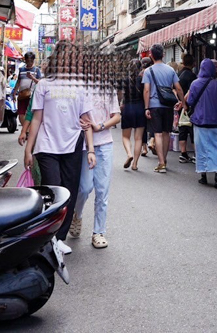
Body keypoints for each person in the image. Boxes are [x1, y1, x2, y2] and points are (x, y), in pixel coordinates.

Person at [23, 43, 96, 253]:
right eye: (64, 59)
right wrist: (29, 149)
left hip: (73, 144)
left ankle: (59, 238)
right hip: (46, 145)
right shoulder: (44, 85)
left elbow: (86, 120)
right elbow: (37, 119)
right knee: (53, 188)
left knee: (70, 191)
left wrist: (90, 150)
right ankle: (47, 234)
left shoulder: (81, 86)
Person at [70, 59, 121, 249]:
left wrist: (100, 126)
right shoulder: (80, 90)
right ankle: (78, 214)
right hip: (84, 145)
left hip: (105, 144)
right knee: (84, 188)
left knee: (102, 190)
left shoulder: (108, 89)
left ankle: (98, 232)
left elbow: (116, 116)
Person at [188, 58, 217, 188]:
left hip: (200, 122)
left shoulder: (194, 84)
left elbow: (190, 102)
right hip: (216, 122)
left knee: (201, 149)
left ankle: (203, 176)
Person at [141, 43, 184, 173]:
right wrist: (183, 102)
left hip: (154, 106)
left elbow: (147, 90)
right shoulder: (170, 70)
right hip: (168, 105)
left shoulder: (148, 71)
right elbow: (179, 88)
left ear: (151, 55)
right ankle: (164, 160)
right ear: (163, 55)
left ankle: (161, 163)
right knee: (167, 133)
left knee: (157, 134)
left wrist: (146, 108)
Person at [119, 58, 147, 171]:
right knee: (138, 138)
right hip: (140, 108)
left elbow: (121, 95)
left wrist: (120, 104)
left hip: (128, 108)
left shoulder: (124, 80)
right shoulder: (143, 79)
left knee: (125, 136)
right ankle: (135, 163)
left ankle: (129, 154)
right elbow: (146, 93)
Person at [176, 55, 198, 163]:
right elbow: (192, 91)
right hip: (189, 106)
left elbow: (174, 89)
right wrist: (185, 103)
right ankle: (195, 154)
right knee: (192, 129)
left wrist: (179, 102)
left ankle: (183, 153)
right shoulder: (192, 76)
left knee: (182, 129)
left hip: (180, 105)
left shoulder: (178, 74)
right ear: (193, 63)